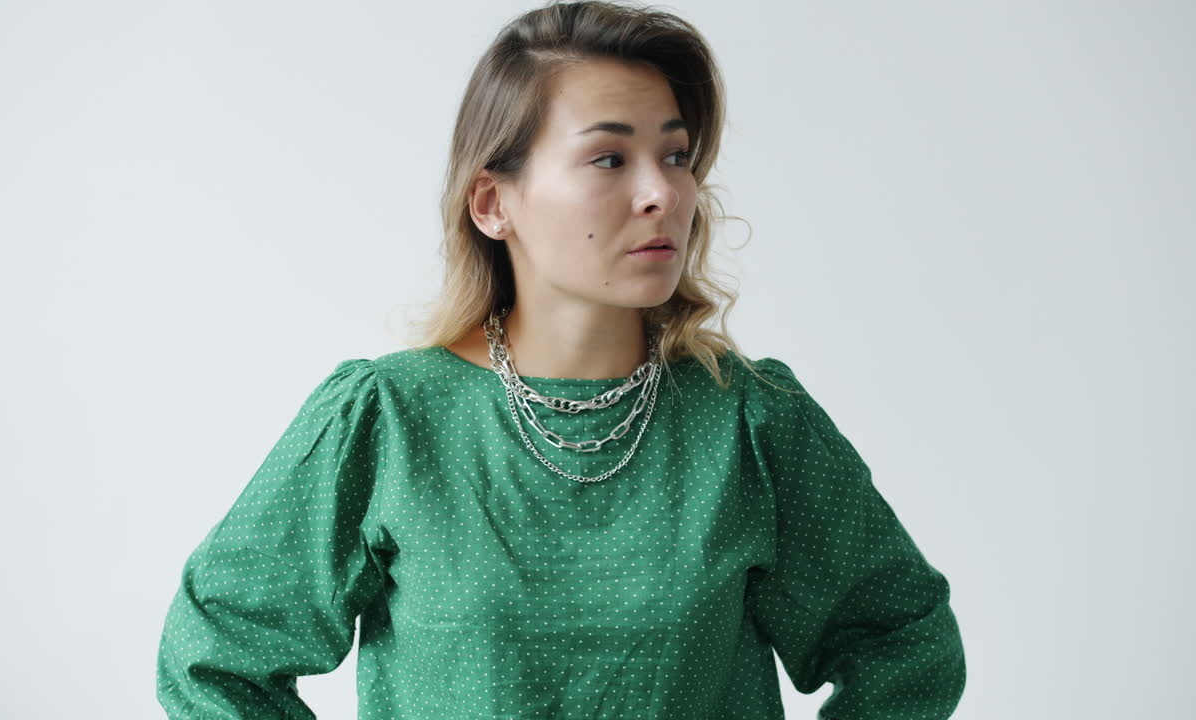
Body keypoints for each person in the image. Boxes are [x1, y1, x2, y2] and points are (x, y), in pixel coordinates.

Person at [154, 1, 967, 718]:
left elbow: (904, 644)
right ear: (493, 202)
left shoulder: (750, 421)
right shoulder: (389, 419)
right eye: (610, 159)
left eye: (677, 156)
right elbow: (217, 660)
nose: (663, 193)